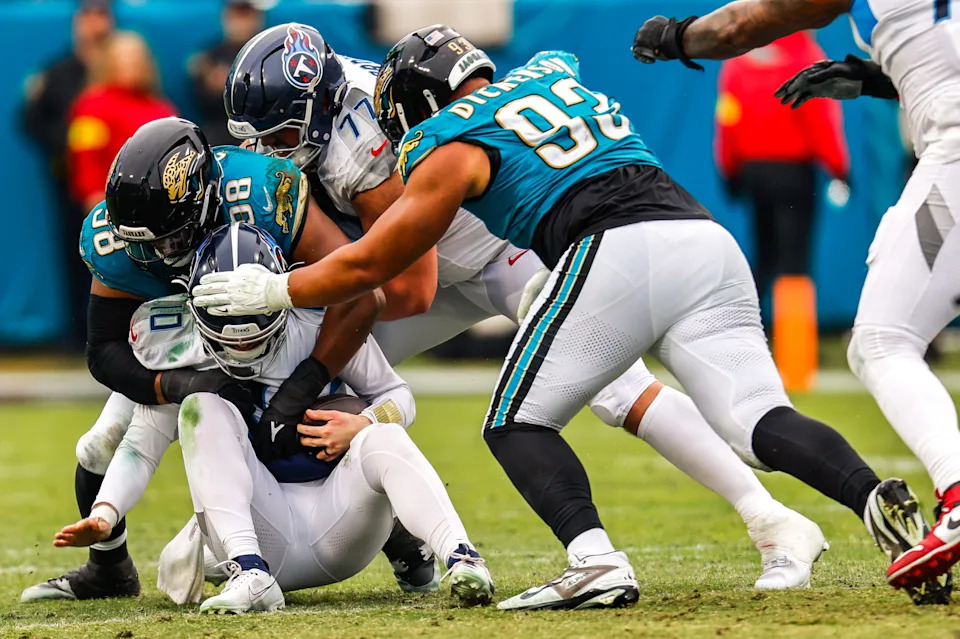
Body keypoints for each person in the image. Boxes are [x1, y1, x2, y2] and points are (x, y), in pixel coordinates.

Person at [192, 25, 932, 609]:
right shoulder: (498, 80)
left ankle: (746, 521)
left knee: (590, 397)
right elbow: (557, 70)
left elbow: (400, 282)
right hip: (644, 230)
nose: (274, 156)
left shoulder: (388, 137)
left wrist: (288, 293)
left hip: (505, 248)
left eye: (284, 140)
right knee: (300, 355)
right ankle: (325, 533)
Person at [632, 0, 960, 599]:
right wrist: (879, 79)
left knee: (884, 340)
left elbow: (742, 25)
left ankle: (959, 494)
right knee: (791, 272)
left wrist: (678, 37)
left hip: (949, 152)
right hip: (819, 161)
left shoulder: (763, 59)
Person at [19, 117, 403, 603]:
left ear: (205, 201)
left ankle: (401, 539)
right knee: (99, 447)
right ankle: (109, 568)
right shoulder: (116, 241)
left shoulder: (261, 192)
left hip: (270, 321)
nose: (159, 253)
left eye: (170, 239)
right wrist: (178, 386)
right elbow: (105, 349)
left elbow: (361, 293)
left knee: (324, 419)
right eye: (144, 244)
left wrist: (305, 381)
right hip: (180, 335)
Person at [52, 223, 494, 613]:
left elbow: (399, 396)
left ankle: (461, 558)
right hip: (261, 530)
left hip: (342, 526)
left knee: (384, 438)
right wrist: (106, 512)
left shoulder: (316, 324)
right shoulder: (179, 346)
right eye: (228, 331)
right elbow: (138, 446)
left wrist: (366, 423)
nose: (242, 347)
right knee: (200, 408)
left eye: (255, 328)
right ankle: (250, 575)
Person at [715, 31, 849, 301]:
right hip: (793, 173)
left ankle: (746, 336)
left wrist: (728, 168)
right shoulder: (807, 56)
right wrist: (838, 167)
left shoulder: (741, 58)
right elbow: (820, 119)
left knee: (763, 255)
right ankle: (793, 342)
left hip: (753, 171)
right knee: (794, 260)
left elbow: (727, 117)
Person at [22, 0, 114, 348]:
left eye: (101, 15)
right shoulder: (58, 72)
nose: (95, 23)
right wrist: (68, 146)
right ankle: (79, 335)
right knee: (76, 252)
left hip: (118, 180)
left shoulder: (116, 66)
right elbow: (30, 119)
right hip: (71, 182)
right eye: (89, 15)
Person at [67, 31, 177, 214]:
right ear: (108, 61)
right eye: (124, 57)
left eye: (136, 57)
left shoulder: (162, 108)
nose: (132, 63)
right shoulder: (91, 105)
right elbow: (85, 155)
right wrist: (95, 200)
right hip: (113, 207)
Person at [189, 0, 265, 146]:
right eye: (236, 15)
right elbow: (201, 101)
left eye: (246, 15)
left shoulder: (268, 54)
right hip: (220, 130)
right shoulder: (210, 55)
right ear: (226, 17)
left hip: (261, 130)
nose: (241, 22)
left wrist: (229, 82)